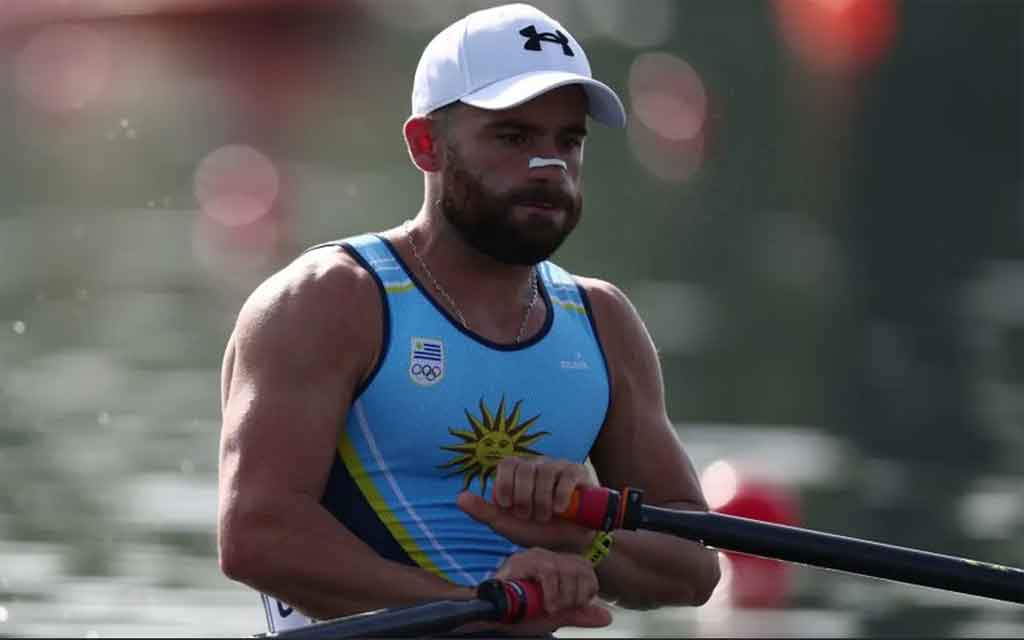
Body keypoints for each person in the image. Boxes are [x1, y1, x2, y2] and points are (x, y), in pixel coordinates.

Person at [217, 3, 720, 635]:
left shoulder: (603, 321)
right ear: (426, 145)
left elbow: (693, 567)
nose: (549, 168)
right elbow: (256, 535)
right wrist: (476, 608)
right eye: (514, 138)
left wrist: (584, 541)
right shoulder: (328, 300)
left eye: (568, 141)